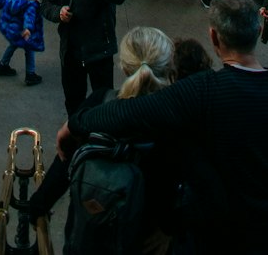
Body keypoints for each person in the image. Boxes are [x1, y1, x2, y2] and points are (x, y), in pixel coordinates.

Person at [64, 0, 268, 255]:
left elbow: (130, 112)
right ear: (258, 31)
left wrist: (76, 124)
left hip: (223, 237)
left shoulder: (202, 91)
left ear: (214, 37)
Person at [28, 25, 177, 251]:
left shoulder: (99, 103)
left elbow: (66, 157)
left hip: (88, 234)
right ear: (169, 66)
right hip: (144, 240)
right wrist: (170, 228)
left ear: (125, 67)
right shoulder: (174, 120)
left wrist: (39, 205)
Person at [42, 0, 127, 113]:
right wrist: (59, 13)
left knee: (104, 101)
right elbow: (46, 4)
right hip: (72, 50)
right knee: (73, 100)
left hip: (99, 49)